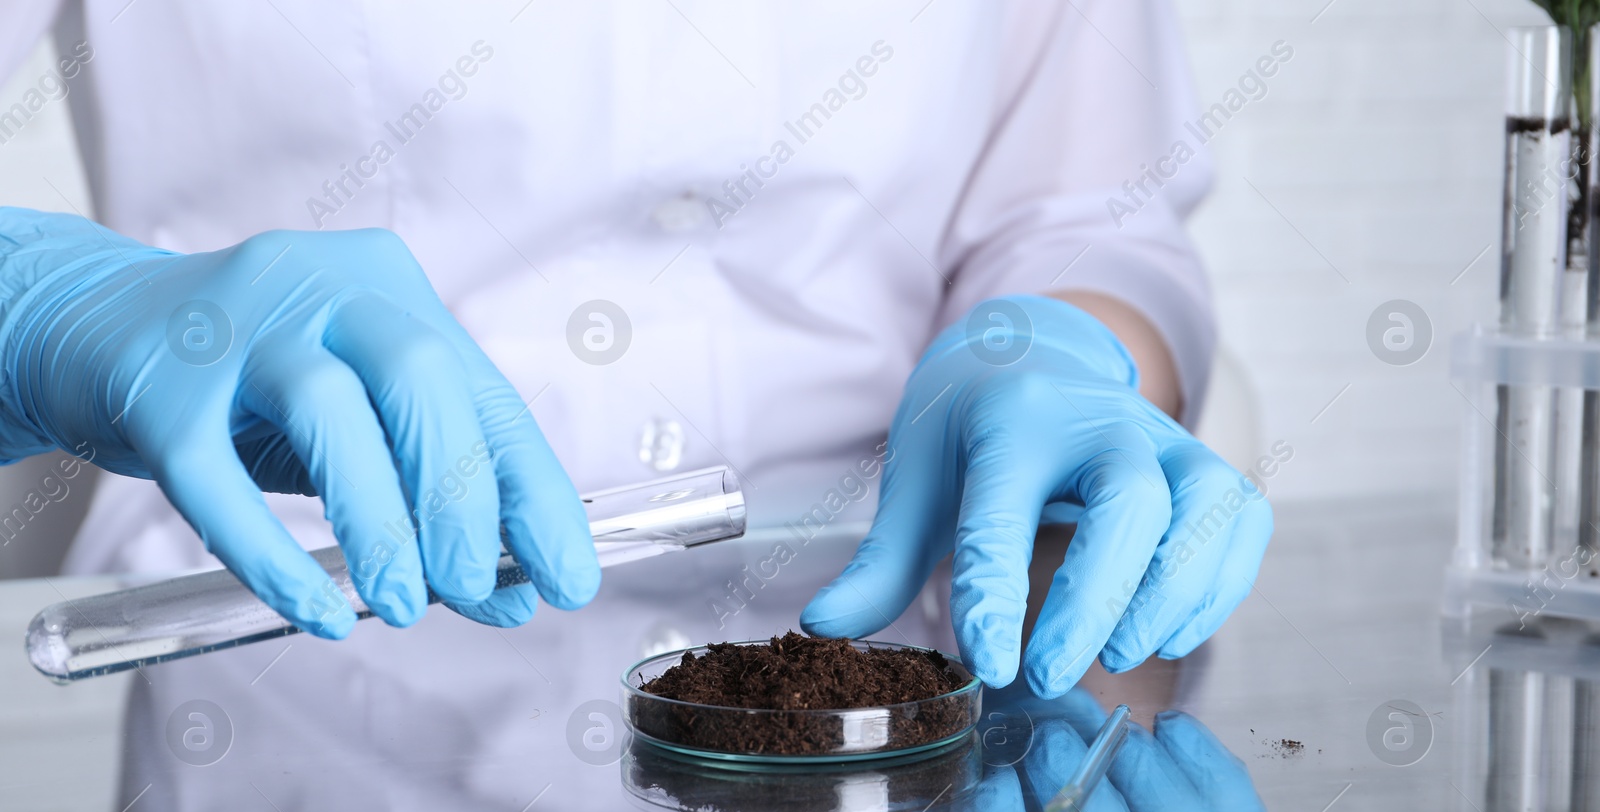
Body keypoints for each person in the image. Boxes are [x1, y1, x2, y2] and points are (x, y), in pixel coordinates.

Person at [0, 1, 1267, 694]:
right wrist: (40, 302)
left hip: (899, 612)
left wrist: (1056, 346)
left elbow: (1082, 206)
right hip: (292, 619)